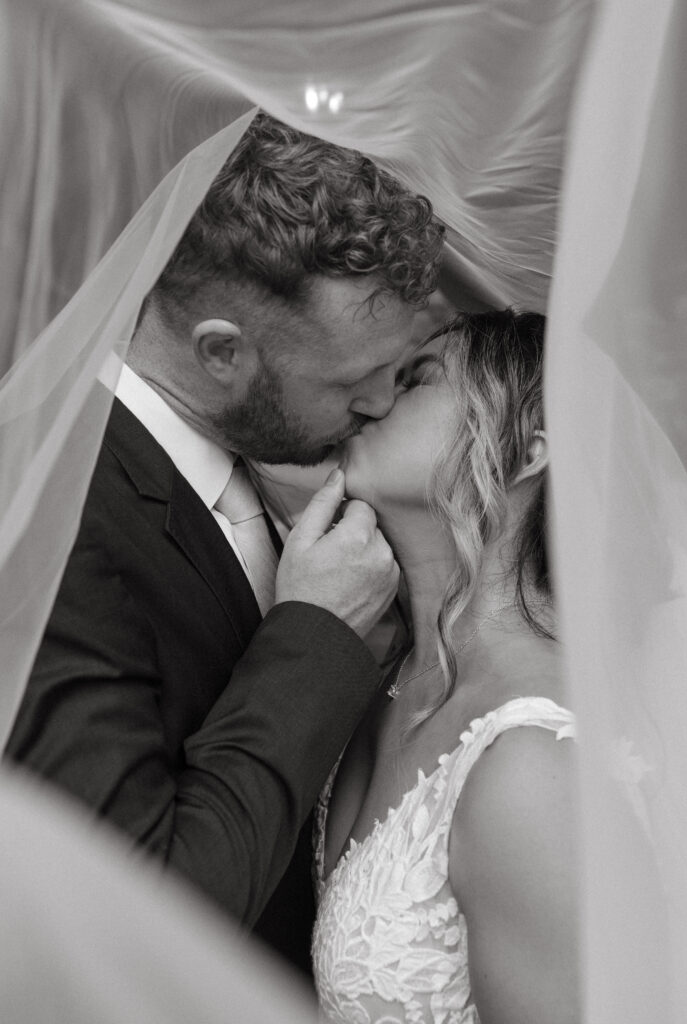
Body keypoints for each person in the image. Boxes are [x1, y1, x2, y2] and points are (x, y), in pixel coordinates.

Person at [4, 112, 445, 971]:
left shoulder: (263, 458)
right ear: (221, 354)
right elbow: (137, 913)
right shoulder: (41, 521)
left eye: (404, 370)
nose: (388, 405)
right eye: (355, 384)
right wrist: (316, 634)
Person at [312, 308, 580, 1024]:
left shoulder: (534, 756)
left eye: (417, 379)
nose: (372, 399)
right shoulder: (384, 681)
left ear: (525, 451)